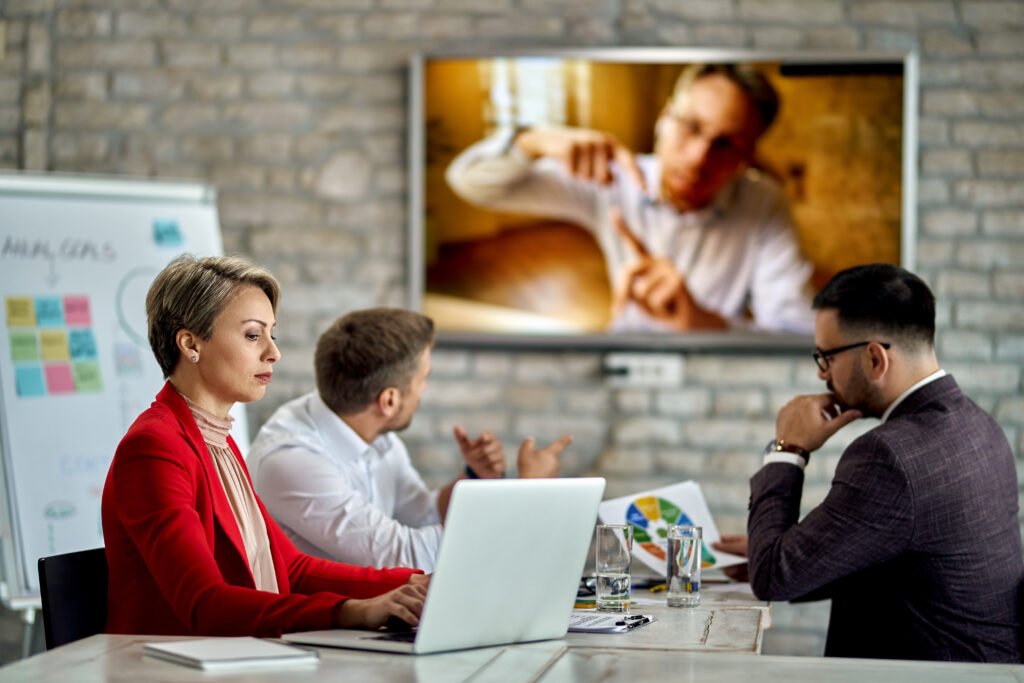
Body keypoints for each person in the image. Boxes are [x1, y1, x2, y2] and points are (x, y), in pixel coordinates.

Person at [102, 255, 428, 637]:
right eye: (254, 335)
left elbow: (290, 568)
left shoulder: (217, 441)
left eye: (273, 334)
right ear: (191, 343)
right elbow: (204, 602)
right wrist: (352, 611)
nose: (273, 352)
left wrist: (413, 583)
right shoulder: (154, 449)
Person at [730, 263, 1022, 661]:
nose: (822, 375)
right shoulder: (979, 425)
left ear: (874, 359)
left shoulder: (889, 457)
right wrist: (798, 550)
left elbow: (771, 578)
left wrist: (787, 450)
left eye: (826, 357)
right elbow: (906, 559)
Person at [445, 63, 814, 334]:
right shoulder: (613, 180)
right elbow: (469, 182)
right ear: (663, 119)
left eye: (726, 144)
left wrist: (701, 322)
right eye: (691, 126)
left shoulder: (765, 204)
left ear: (746, 158)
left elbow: (795, 333)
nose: (698, 158)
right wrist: (535, 141)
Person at [248, 307, 572, 572]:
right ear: (388, 401)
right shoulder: (291, 460)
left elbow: (421, 513)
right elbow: (408, 556)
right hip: (309, 636)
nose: (424, 390)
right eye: (423, 379)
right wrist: (530, 492)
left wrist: (474, 476)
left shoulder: (374, 433)